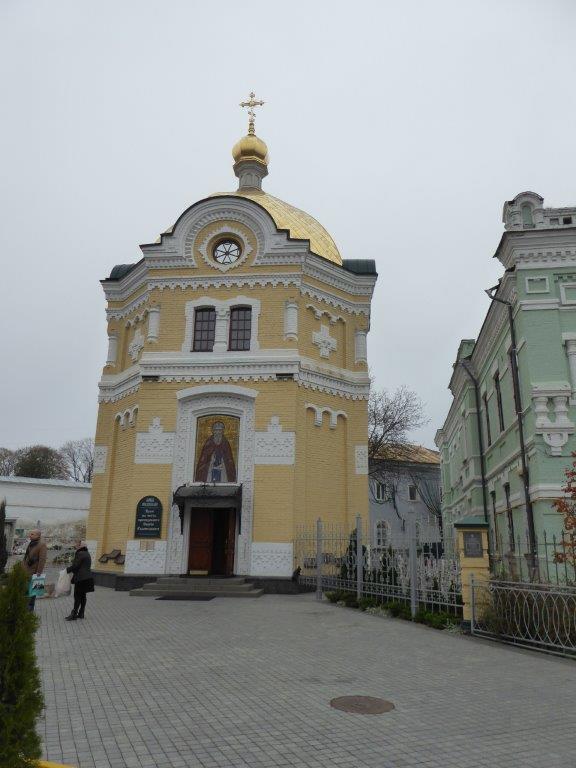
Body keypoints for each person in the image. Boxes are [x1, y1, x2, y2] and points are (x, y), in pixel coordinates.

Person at [65, 541, 93, 621]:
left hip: (81, 578)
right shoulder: (87, 553)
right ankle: (81, 613)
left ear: (81, 546)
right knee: (83, 596)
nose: (75, 546)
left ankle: (74, 614)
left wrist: (66, 570)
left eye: (77, 545)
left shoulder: (80, 553)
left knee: (77, 596)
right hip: (87, 578)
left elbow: (76, 566)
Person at [22, 529, 47, 612]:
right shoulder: (32, 543)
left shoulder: (42, 544)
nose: (30, 535)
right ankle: (25, 607)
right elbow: (26, 556)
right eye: (30, 534)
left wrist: (39, 572)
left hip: (34, 572)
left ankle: (29, 609)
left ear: (38, 536)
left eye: (32, 534)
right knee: (26, 590)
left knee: (33, 591)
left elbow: (42, 559)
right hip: (26, 570)